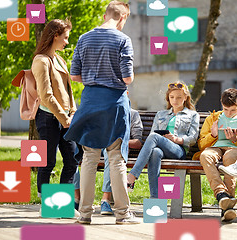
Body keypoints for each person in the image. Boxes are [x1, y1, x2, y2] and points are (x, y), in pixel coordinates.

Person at [64, 1, 138, 224]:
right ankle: (122, 214)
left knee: (88, 157)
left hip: (90, 102)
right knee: (115, 159)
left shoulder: (84, 38)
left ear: (106, 15)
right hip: (114, 103)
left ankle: (85, 214)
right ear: (123, 17)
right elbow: (127, 78)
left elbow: (75, 75)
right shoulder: (123, 39)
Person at [192, 88, 237, 222]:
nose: (228, 113)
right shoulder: (213, 118)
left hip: (236, 148)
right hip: (215, 147)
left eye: (232, 110)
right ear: (221, 104)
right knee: (205, 156)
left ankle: (226, 207)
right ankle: (222, 195)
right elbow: (201, 145)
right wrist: (213, 135)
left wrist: (236, 139)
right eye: (226, 109)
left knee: (230, 157)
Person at [127, 82, 200, 198]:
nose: (175, 100)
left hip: (178, 151)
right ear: (168, 98)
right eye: (172, 97)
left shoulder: (192, 115)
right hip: (160, 149)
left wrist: (176, 139)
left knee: (154, 137)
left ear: (185, 98)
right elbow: (153, 134)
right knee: (155, 152)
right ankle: (155, 200)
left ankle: (133, 175)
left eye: (179, 97)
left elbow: (193, 138)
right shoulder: (161, 114)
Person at [31, 19, 77, 199]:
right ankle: (45, 203)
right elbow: (46, 95)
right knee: (48, 163)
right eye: (65, 37)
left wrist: (72, 112)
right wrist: (64, 118)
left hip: (66, 118)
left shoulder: (60, 60)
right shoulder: (41, 60)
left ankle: (62, 202)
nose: (66, 41)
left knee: (72, 161)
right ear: (55, 35)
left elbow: (68, 90)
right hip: (49, 118)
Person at [73, 108, 143, 215]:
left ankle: (105, 200)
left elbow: (137, 142)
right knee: (72, 151)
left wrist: (120, 141)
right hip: (96, 145)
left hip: (114, 148)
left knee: (110, 150)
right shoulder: (101, 110)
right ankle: (77, 197)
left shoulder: (132, 114)